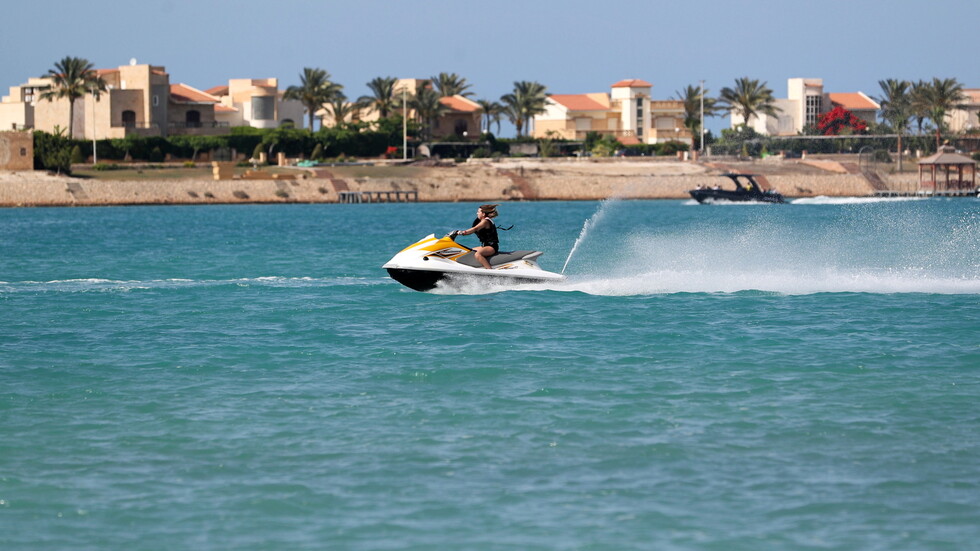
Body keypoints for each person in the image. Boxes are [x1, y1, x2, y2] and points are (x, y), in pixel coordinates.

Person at [451, 204, 500, 269]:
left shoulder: (485, 221)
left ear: (483, 214)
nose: (477, 213)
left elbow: (475, 229)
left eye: (478, 212)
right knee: (468, 251)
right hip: (485, 245)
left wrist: (463, 232)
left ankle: (490, 271)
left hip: (492, 247)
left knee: (478, 254)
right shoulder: (484, 220)